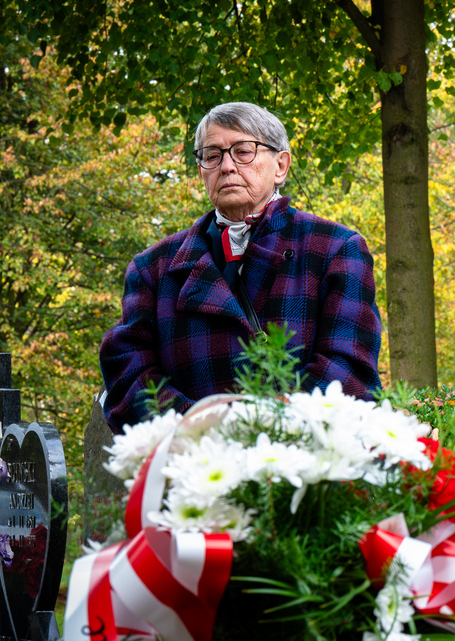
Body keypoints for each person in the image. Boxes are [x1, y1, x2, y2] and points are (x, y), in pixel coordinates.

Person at [100, 102, 381, 432]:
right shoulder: (153, 268)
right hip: (190, 454)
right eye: (212, 155)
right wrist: (201, 428)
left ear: (281, 166)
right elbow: (129, 372)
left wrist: (263, 430)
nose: (227, 166)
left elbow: (347, 369)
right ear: (202, 170)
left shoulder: (336, 248)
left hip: (301, 453)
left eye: (243, 151)